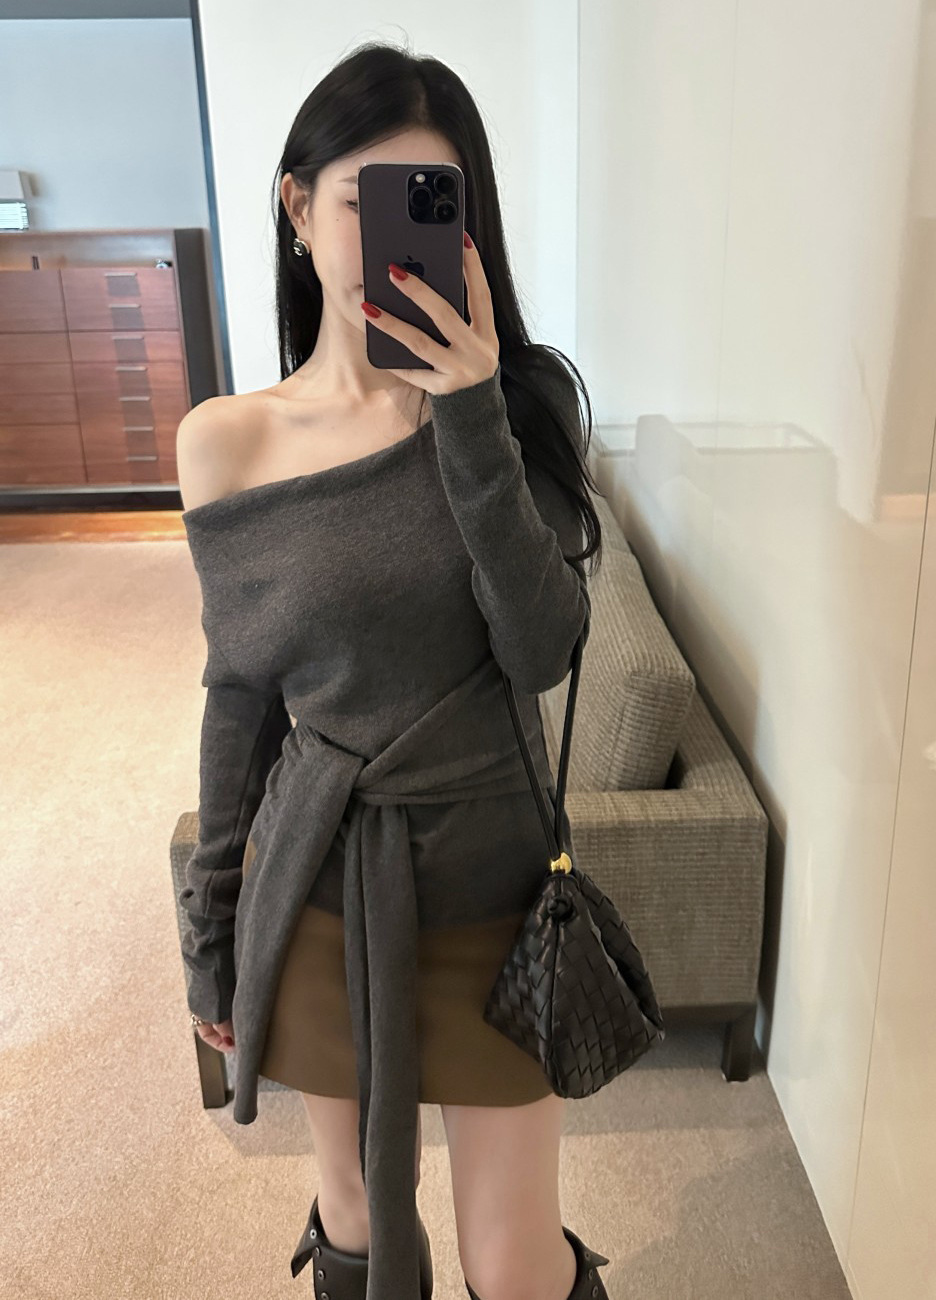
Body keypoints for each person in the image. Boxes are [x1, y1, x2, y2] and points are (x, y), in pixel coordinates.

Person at [177, 38, 609, 1300]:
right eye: (364, 199)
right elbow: (238, 704)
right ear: (297, 205)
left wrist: (468, 410)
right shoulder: (228, 440)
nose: (393, 235)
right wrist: (209, 932)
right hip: (320, 881)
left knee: (512, 1261)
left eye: (432, 201)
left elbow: (542, 649)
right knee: (360, 1226)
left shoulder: (521, 405)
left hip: (492, 885)